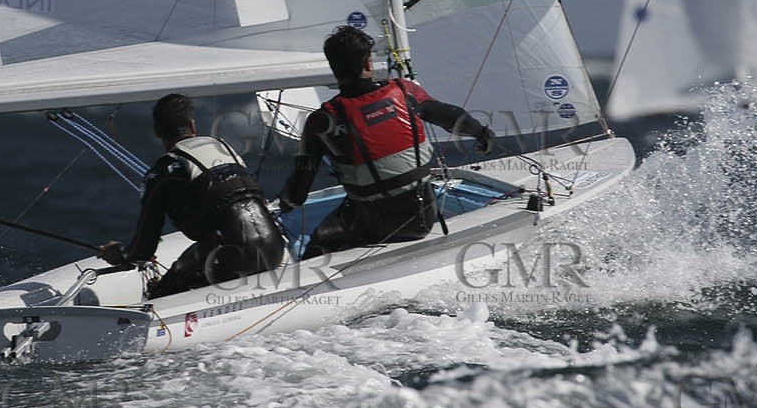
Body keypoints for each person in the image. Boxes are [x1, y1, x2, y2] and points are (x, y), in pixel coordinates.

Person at [278, 25, 496, 255]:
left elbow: (299, 186)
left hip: (370, 225)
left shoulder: (322, 120)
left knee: (319, 241)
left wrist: (285, 203)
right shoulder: (404, 91)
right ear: (368, 64)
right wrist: (482, 133)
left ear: (334, 69)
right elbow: (451, 115)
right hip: (422, 219)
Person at [97, 93, 286, 299]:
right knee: (201, 252)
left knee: (162, 293)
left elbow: (143, 250)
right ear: (193, 125)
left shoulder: (161, 172)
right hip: (274, 248)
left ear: (157, 131)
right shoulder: (225, 149)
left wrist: (120, 254)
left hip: (233, 259)